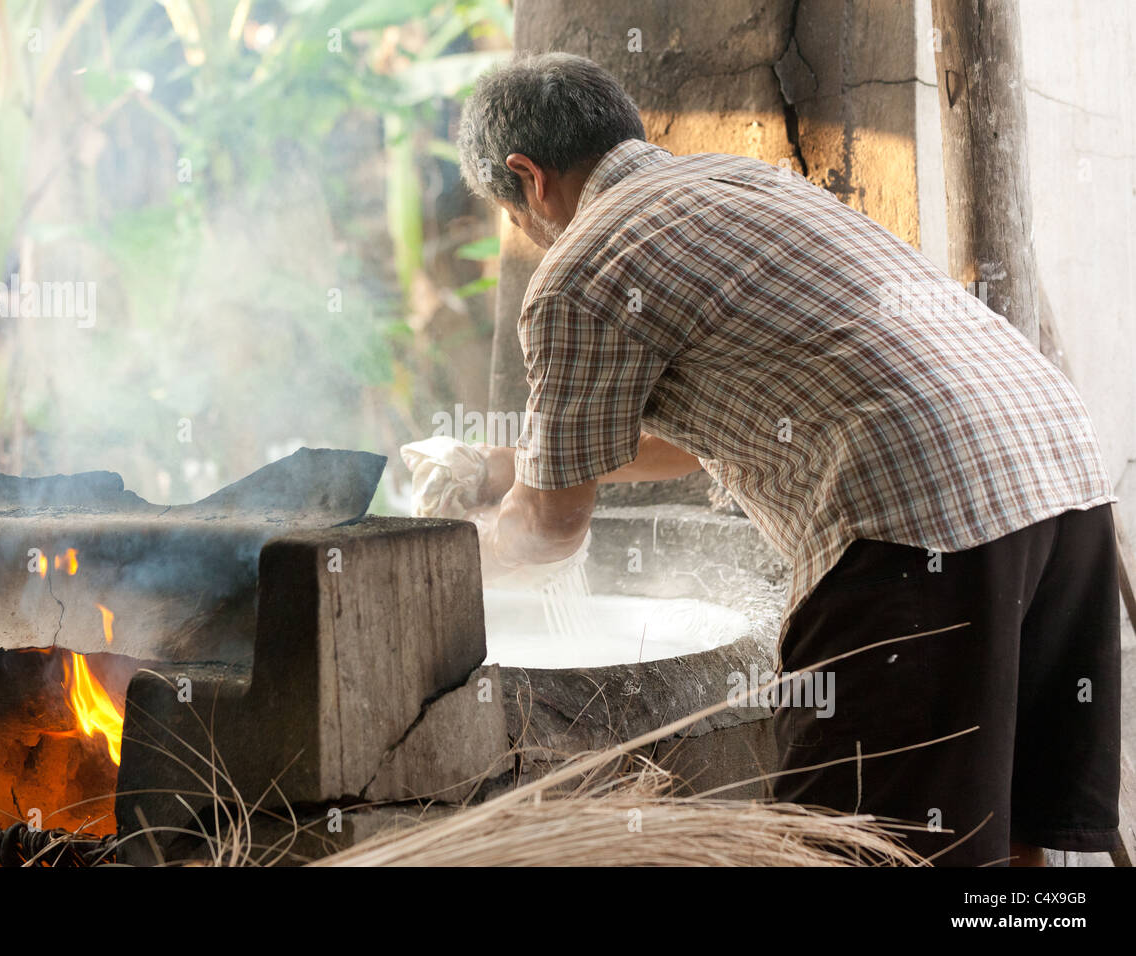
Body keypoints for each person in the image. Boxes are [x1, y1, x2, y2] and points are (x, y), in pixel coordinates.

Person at [447, 51, 1122, 866]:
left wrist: (445, 553)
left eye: (510, 213)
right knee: (1011, 825)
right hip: (1058, 474)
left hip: (918, 518)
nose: (525, 233)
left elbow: (549, 531)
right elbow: (696, 437)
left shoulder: (579, 270)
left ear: (528, 176)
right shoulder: (745, 183)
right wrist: (504, 465)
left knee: (861, 848)